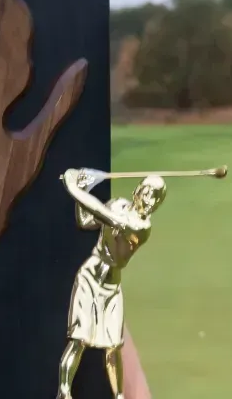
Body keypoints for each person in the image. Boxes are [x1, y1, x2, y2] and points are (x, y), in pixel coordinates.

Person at [57, 169, 162, 399]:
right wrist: (83, 189)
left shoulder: (141, 227)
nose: (149, 200)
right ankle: (64, 392)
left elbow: (102, 213)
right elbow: (85, 220)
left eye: (155, 197)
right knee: (78, 340)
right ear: (137, 191)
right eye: (147, 192)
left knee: (113, 348)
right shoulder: (117, 205)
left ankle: (119, 396)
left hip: (111, 288)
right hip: (89, 278)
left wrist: (74, 188)